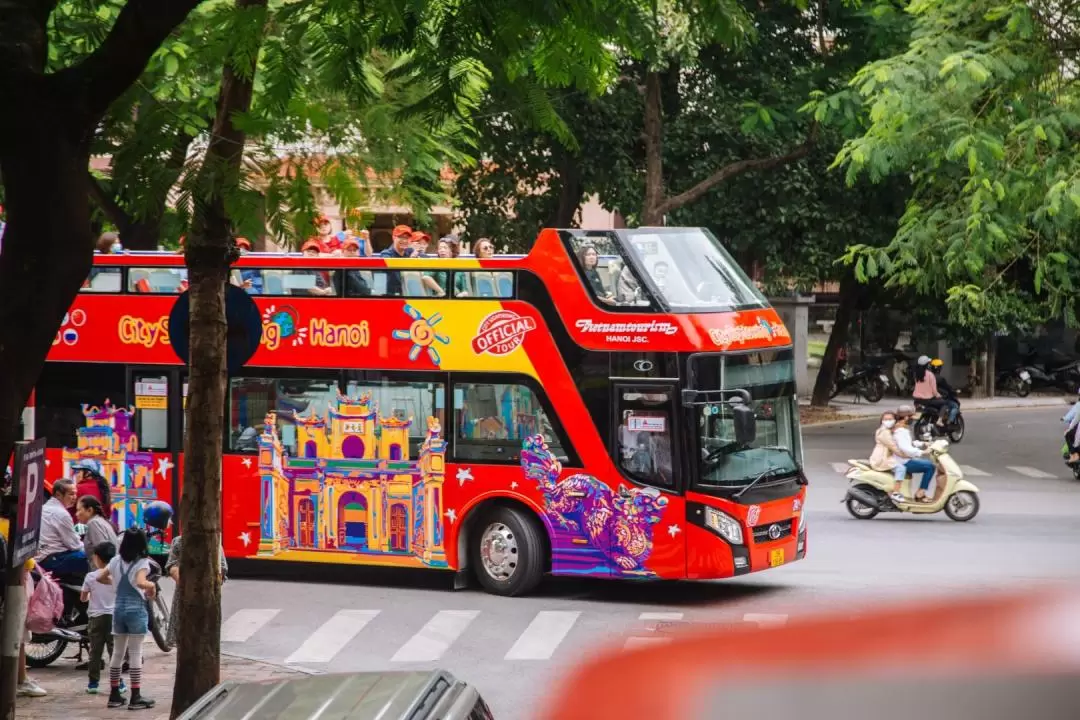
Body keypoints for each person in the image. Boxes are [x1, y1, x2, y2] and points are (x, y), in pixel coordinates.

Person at [97, 529, 157, 710]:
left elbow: (100, 576)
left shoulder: (115, 561)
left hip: (118, 611)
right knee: (136, 653)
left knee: (117, 653)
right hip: (135, 611)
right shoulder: (143, 563)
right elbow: (140, 582)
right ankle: (135, 696)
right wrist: (151, 585)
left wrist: (114, 583)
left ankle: (114, 695)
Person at [164, 533, 229, 649]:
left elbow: (222, 568)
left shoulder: (213, 541)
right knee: (189, 635)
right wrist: (189, 585)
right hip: (189, 595)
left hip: (201, 595)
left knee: (198, 635)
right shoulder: (179, 541)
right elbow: (172, 566)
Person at [81, 542, 126, 696]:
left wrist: (89, 598)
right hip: (114, 617)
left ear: (98, 559)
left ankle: (93, 683)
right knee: (114, 651)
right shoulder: (117, 576)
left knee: (95, 651)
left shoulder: (90, 576)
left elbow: (83, 598)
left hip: (96, 618)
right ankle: (118, 682)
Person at [36, 479, 87, 576]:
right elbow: (74, 545)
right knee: (91, 557)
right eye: (71, 494)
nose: (74, 498)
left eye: (75, 494)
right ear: (58, 494)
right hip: (52, 560)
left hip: (43, 558)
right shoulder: (61, 513)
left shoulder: (45, 508)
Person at [893, 406, 937, 502]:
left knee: (929, 465)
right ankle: (920, 494)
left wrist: (923, 443)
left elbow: (910, 443)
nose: (913, 420)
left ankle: (920, 492)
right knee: (930, 466)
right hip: (903, 461)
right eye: (912, 417)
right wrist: (922, 452)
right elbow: (906, 448)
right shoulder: (900, 431)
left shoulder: (902, 428)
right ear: (906, 418)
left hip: (905, 459)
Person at [869, 411, 905, 503]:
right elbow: (893, 446)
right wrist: (905, 455)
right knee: (901, 468)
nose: (887, 421)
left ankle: (890, 491)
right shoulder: (884, 432)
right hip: (881, 459)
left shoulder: (887, 430)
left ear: (895, 420)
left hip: (885, 456)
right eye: (885, 419)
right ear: (882, 421)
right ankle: (896, 493)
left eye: (890, 419)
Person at [76, 495, 118, 562]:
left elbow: (103, 552)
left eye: (78, 510)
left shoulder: (93, 523)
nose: (76, 514)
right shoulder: (99, 521)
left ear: (90, 510)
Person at [912, 355, 946, 425]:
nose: (930, 365)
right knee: (944, 403)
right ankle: (939, 420)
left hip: (917, 400)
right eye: (929, 363)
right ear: (927, 365)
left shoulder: (916, 375)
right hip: (927, 400)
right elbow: (934, 390)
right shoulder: (930, 375)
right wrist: (939, 396)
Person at [929, 358, 960, 424]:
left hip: (930, 399)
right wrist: (954, 391)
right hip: (940, 399)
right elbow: (948, 388)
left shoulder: (928, 377)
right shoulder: (940, 379)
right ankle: (949, 421)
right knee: (955, 406)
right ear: (939, 368)